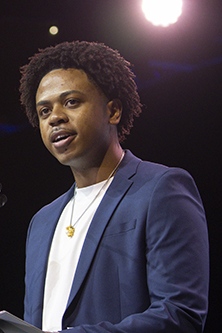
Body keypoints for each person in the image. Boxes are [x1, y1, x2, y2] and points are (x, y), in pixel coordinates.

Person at [19, 41, 209, 332]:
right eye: (44, 111)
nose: (55, 117)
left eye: (71, 102)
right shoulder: (42, 222)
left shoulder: (161, 190)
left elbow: (179, 315)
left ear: (114, 111)